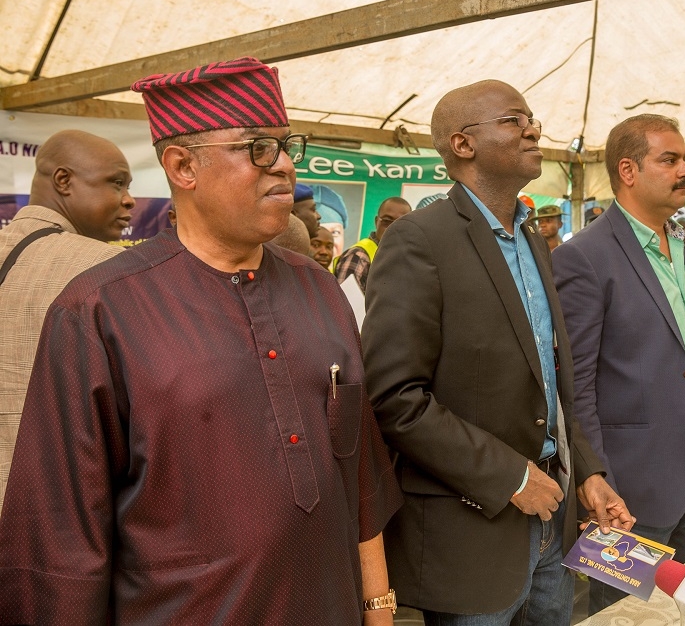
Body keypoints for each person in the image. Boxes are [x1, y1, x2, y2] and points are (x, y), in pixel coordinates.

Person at [0, 57, 402, 624]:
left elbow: (358, 473)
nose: (283, 166)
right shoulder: (98, 308)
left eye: (287, 146)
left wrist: (379, 608)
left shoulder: (321, 290)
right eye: (257, 148)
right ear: (183, 166)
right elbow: (61, 541)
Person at [362, 79, 632, 625]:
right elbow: (394, 397)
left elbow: (550, 377)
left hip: (550, 527)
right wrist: (511, 477)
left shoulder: (531, 238)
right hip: (472, 533)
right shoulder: (419, 239)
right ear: (463, 145)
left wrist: (587, 471)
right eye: (515, 119)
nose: (534, 128)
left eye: (531, 117)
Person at [552, 114, 685, 614]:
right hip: (626, 489)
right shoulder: (584, 257)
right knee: (626, 615)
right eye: (669, 159)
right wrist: (596, 474)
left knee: (683, 612)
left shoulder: (682, 251)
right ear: (627, 171)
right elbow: (576, 382)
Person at [0, 130, 132, 512]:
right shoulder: (106, 270)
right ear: (63, 181)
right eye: (116, 182)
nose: (129, 199)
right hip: (52, 518)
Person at [333, 196, 411, 292]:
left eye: (401, 223)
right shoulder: (358, 256)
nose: (392, 228)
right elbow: (345, 302)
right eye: (387, 221)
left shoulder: (409, 259)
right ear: (376, 221)